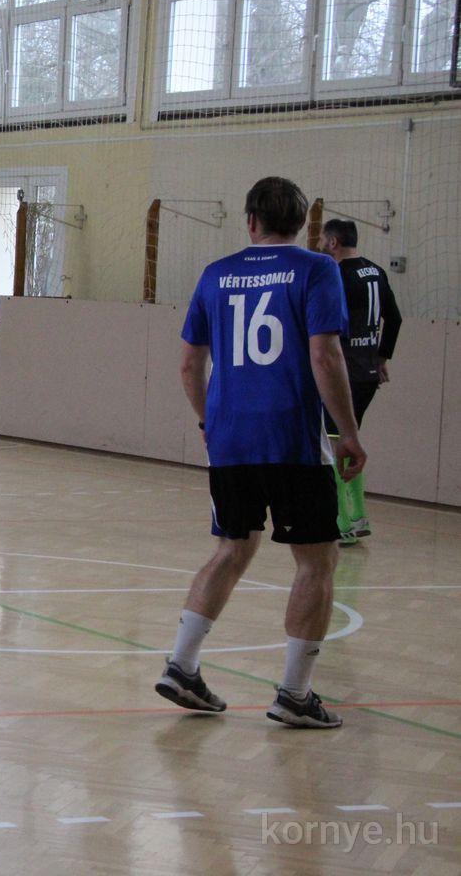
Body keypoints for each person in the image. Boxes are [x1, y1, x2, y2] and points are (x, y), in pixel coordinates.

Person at [155, 177, 366, 730]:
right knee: (317, 561)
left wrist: (209, 421)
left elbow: (189, 364)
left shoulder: (215, 274)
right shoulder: (317, 269)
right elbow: (326, 356)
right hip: (291, 439)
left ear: (250, 221)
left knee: (231, 548)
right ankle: (295, 693)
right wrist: (347, 432)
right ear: (302, 224)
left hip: (230, 439)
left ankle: (182, 665)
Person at [317, 219, 402, 545]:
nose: (320, 244)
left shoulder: (335, 275)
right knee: (349, 441)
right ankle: (359, 516)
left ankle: (342, 522)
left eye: (323, 239)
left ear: (334, 242)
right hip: (367, 374)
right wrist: (381, 358)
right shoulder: (376, 272)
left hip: (343, 374)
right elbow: (394, 318)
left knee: (333, 446)